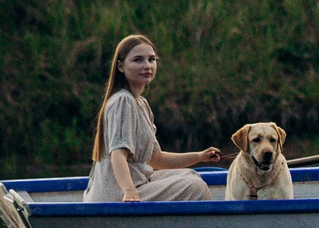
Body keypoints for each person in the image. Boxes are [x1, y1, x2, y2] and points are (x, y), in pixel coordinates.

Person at [83, 33, 221, 203]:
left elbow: (156, 159)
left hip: (138, 182)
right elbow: (117, 155)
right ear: (120, 66)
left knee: (189, 174)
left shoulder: (141, 103)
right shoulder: (122, 101)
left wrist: (199, 157)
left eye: (151, 59)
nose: (147, 66)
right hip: (117, 196)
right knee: (194, 187)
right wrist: (129, 191)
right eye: (138, 60)